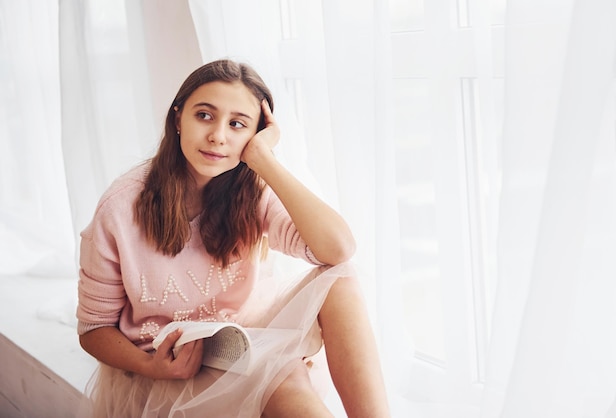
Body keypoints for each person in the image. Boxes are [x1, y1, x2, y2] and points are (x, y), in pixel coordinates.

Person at [76, 59, 390, 417]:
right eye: (205, 116)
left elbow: (338, 250)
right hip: (168, 367)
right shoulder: (121, 206)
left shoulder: (250, 190)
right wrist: (153, 367)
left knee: (341, 281)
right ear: (178, 118)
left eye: (237, 124)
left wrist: (263, 160)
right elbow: (93, 328)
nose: (218, 136)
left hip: (238, 340)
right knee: (287, 383)